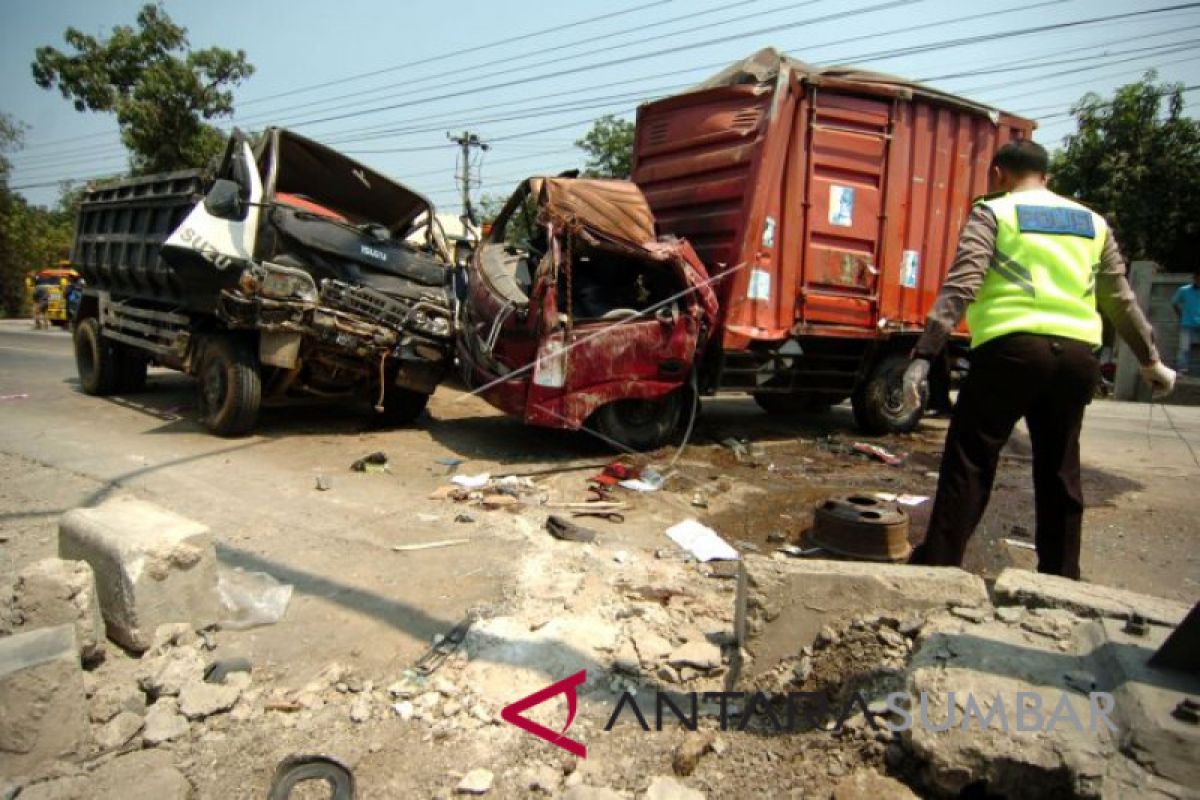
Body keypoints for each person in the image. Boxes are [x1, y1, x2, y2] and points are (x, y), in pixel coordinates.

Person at [902, 140, 1175, 580]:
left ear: (997, 175)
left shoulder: (994, 212)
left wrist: (924, 354)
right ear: (1047, 179)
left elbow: (962, 284)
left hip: (1010, 352)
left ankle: (938, 567)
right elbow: (1120, 300)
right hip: (1075, 359)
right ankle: (1061, 578)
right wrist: (1151, 361)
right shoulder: (1093, 223)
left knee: (970, 461)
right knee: (1060, 469)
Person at [1171, 271, 1200, 374]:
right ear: (1194, 278)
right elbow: (1174, 303)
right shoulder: (1184, 290)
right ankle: (1182, 369)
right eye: (1198, 278)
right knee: (1184, 348)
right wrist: (1180, 315)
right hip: (1187, 324)